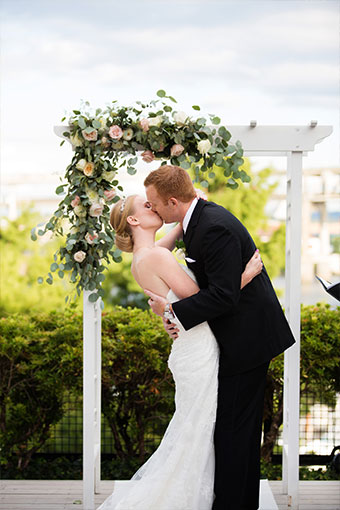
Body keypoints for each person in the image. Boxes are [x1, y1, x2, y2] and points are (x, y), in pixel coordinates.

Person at [96, 192, 262, 510]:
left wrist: (191, 205)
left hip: (190, 346)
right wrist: (245, 276)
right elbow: (204, 297)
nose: (154, 206)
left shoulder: (144, 258)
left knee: (195, 425)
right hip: (199, 350)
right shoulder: (155, 257)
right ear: (133, 220)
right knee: (202, 426)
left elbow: (175, 241)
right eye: (147, 206)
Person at [144, 165, 296, 510]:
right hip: (235, 336)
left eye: (154, 204)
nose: (152, 210)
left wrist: (173, 314)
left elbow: (224, 295)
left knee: (234, 428)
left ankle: (234, 505)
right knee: (233, 427)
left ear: (172, 201)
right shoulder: (194, 219)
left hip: (248, 339)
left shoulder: (214, 227)